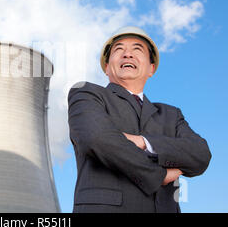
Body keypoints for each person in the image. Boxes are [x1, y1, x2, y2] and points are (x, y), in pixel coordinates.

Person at [67, 26, 212, 213]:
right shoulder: (87, 94)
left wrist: (144, 142)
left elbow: (201, 154)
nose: (127, 54)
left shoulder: (170, 114)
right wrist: (160, 175)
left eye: (137, 49)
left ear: (151, 68)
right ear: (106, 67)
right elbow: (98, 139)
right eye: (119, 49)